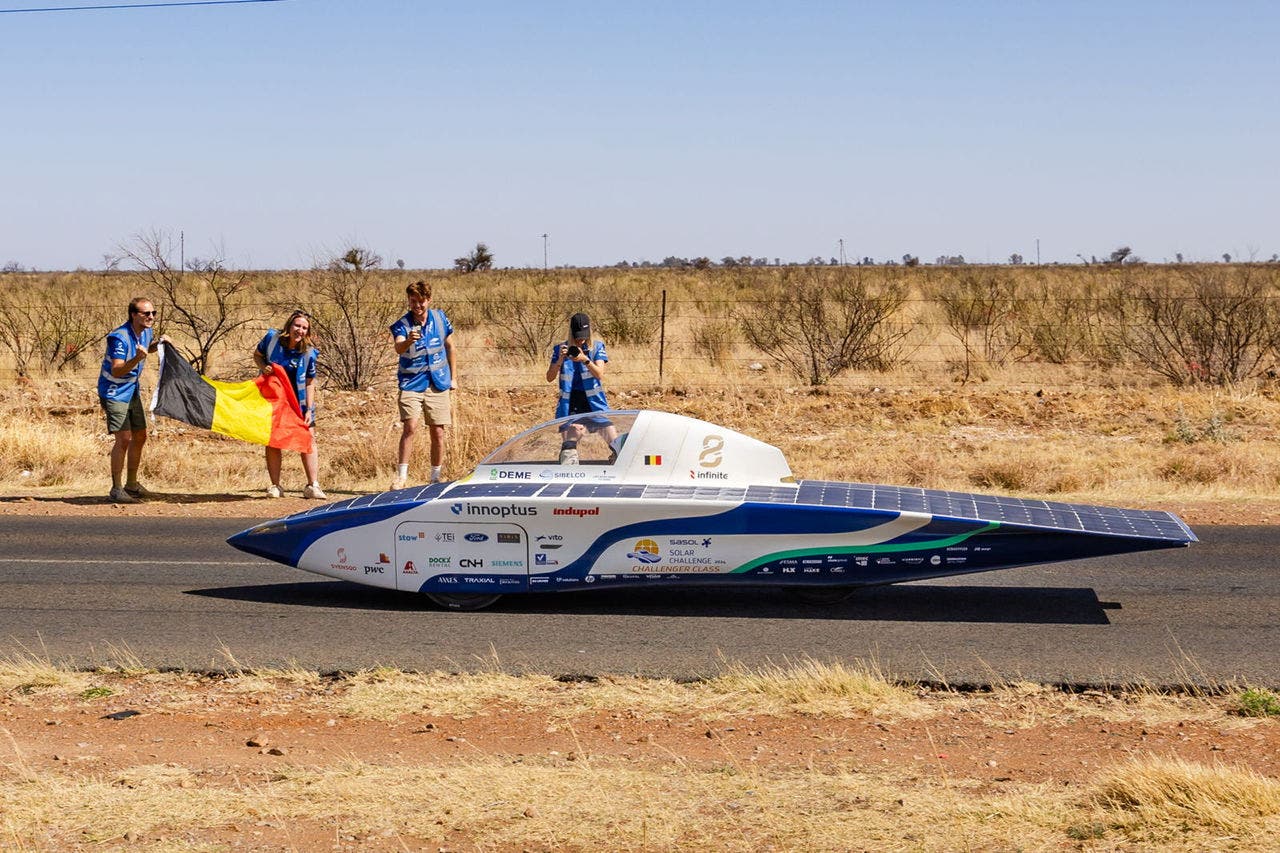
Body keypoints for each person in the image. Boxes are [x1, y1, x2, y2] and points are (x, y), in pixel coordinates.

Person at [98, 296, 169, 503]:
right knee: (124, 438)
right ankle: (117, 488)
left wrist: (159, 344)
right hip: (114, 390)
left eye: (153, 313)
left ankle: (132, 484)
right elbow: (117, 370)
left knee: (140, 436)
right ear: (133, 315)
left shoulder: (146, 332)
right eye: (146, 313)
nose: (151, 317)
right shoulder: (118, 337)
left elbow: (147, 348)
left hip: (132, 390)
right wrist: (138, 358)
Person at [389, 280, 456, 488]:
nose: (417, 306)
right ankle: (402, 477)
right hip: (411, 383)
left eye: (421, 301)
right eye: (413, 301)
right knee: (410, 426)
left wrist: (454, 378)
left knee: (438, 431)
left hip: (438, 382)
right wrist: (408, 340)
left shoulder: (440, 317)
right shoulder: (403, 324)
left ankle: (435, 477)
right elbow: (398, 347)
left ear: (429, 300)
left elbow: (450, 347)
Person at [254, 310, 324, 499]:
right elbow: (257, 355)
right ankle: (275, 486)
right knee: (274, 440)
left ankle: (313, 485)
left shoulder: (309, 352)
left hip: (299, 402)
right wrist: (263, 367)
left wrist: (309, 408)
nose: (299, 330)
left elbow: (310, 381)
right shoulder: (272, 339)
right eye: (297, 326)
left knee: (308, 438)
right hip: (274, 400)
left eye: (304, 328)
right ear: (289, 326)